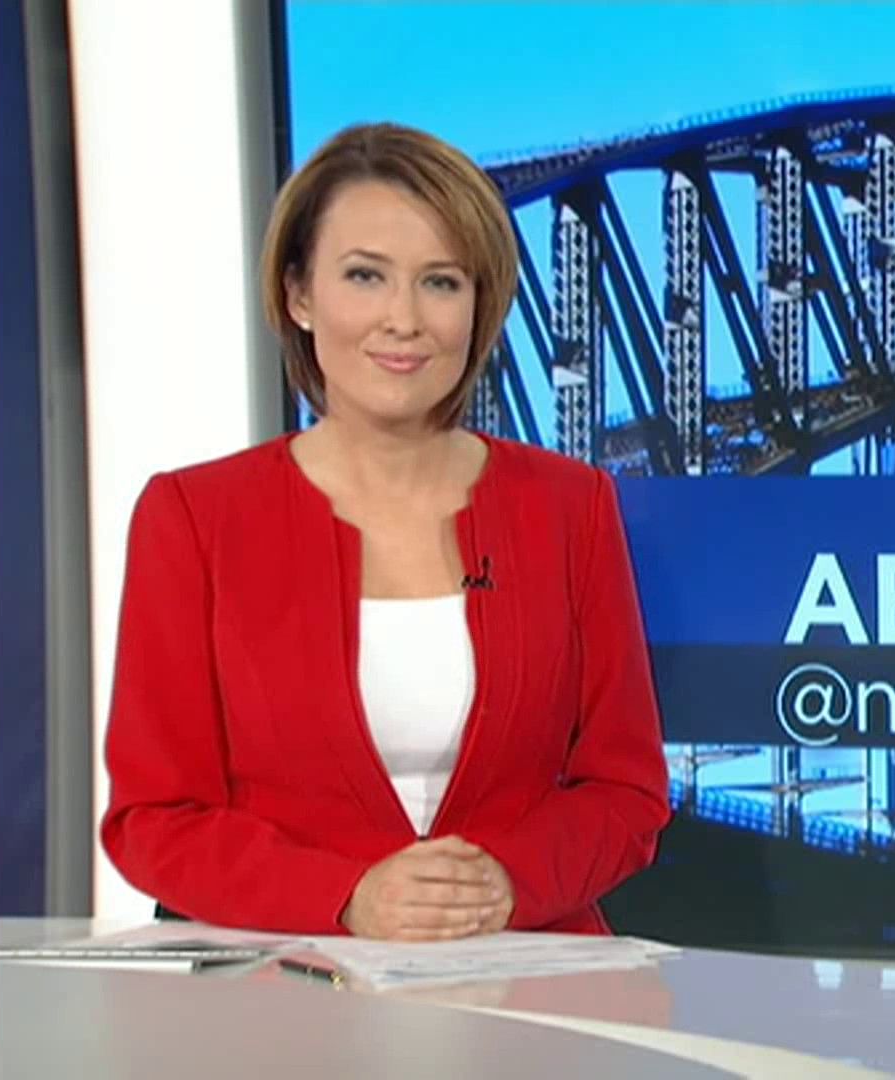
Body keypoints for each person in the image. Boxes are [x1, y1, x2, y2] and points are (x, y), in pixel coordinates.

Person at [100, 122, 671, 940]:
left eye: (441, 282)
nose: (404, 319)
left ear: (478, 306)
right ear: (298, 295)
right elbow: (154, 817)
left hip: (530, 977)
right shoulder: (192, 518)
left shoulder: (571, 506)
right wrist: (348, 897)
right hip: (286, 988)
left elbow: (626, 792)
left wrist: (505, 884)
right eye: (365, 276)